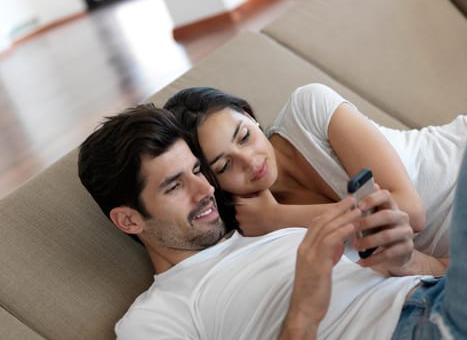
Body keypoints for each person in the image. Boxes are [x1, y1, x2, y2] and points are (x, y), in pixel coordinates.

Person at [77, 104, 467, 339]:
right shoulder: (158, 316)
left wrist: (407, 262)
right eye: (175, 186)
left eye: (199, 171)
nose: (205, 191)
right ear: (128, 220)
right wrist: (304, 309)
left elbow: (439, 270)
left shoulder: (276, 226)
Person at [164, 83, 467, 275]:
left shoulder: (308, 109)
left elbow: (409, 213)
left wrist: (280, 217)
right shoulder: (254, 229)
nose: (250, 161)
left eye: (244, 136)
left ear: (249, 115)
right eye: (224, 165)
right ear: (213, 184)